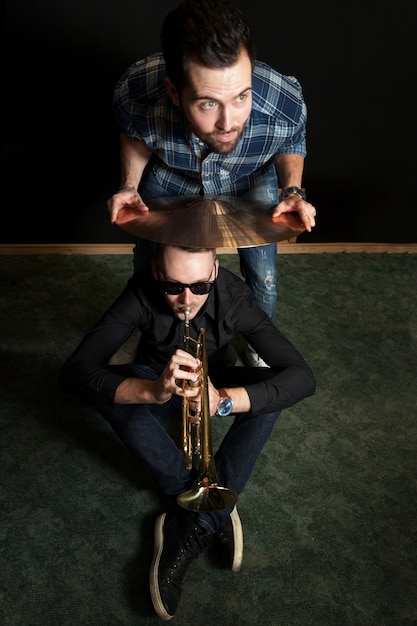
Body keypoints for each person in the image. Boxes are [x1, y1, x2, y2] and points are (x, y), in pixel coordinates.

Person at [60, 244, 316, 620]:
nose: (186, 300)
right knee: (111, 391)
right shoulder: (140, 290)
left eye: (199, 287)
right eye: (173, 286)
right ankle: (199, 500)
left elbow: (302, 377)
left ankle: (194, 519)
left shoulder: (234, 298)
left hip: (216, 380)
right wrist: (151, 391)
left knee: (269, 393)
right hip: (156, 375)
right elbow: (75, 371)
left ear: (214, 272)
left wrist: (224, 399)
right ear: (155, 272)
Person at [107, 0, 316, 367]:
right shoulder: (137, 90)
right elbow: (134, 133)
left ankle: (256, 344)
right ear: (174, 91)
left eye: (241, 97)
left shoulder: (281, 100)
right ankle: (142, 328)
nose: (228, 121)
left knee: (263, 277)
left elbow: (290, 140)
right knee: (148, 264)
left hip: (250, 179)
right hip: (175, 175)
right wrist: (129, 185)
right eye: (208, 103)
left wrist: (293, 192)